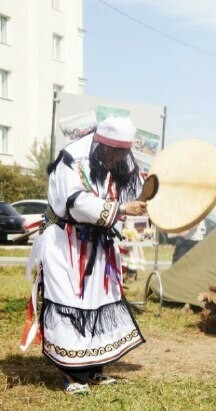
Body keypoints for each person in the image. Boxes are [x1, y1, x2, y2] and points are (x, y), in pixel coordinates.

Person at [21, 117, 148, 394]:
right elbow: (76, 203)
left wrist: (146, 192)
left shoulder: (116, 159)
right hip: (63, 242)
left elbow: (132, 190)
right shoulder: (73, 158)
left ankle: (93, 368)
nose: (117, 158)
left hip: (96, 244)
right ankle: (71, 373)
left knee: (99, 300)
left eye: (122, 153)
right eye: (114, 152)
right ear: (101, 143)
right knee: (68, 301)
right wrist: (123, 210)